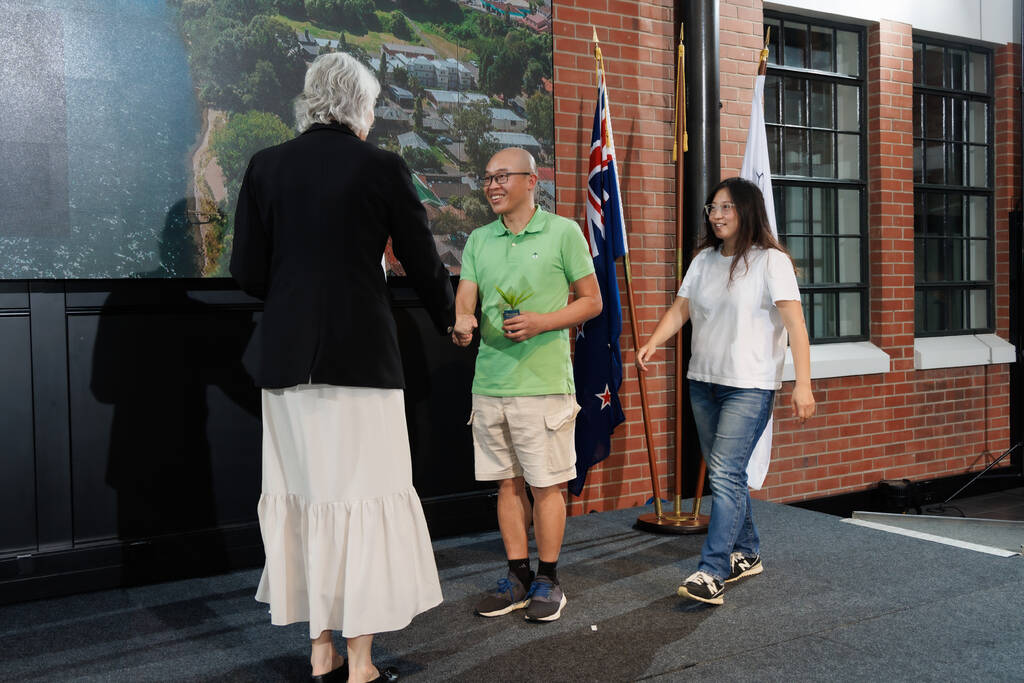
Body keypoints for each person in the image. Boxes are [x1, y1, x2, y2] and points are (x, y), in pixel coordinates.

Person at [230, 52, 455, 682]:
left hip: (286, 365)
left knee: (307, 503)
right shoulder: (382, 167)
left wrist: (295, 287)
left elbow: (246, 272)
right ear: (360, 106)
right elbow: (423, 261)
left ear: (312, 99)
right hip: (361, 363)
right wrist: (452, 318)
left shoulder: (265, 165)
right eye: (374, 106)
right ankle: (360, 664)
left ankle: (320, 649)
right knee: (361, 504)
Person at [636, 176, 815, 606]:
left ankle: (712, 570)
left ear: (747, 210)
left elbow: (796, 326)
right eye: (712, 208)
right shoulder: (703, 260)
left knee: (724, 472)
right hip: (703, 381)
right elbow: (681, 308)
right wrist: (654, 341)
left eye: (726, 207)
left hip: (750, 386)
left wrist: (803, 385)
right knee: (727, 474)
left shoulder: (771, 262)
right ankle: (747, 552)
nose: (716, 215)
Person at [451, 147, 602, 622]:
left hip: (543, 384)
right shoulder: (479, 239)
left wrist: (542, 322)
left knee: (547, 486)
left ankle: (549, 580)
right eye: (487, 178)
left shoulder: (563, 232)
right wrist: (463, 322)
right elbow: (466, 298)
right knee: (506, 484)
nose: (492, 185)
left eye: (502, 177)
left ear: (532, 181)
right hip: (489, 383)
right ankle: (517, 576)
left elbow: (592, 301)